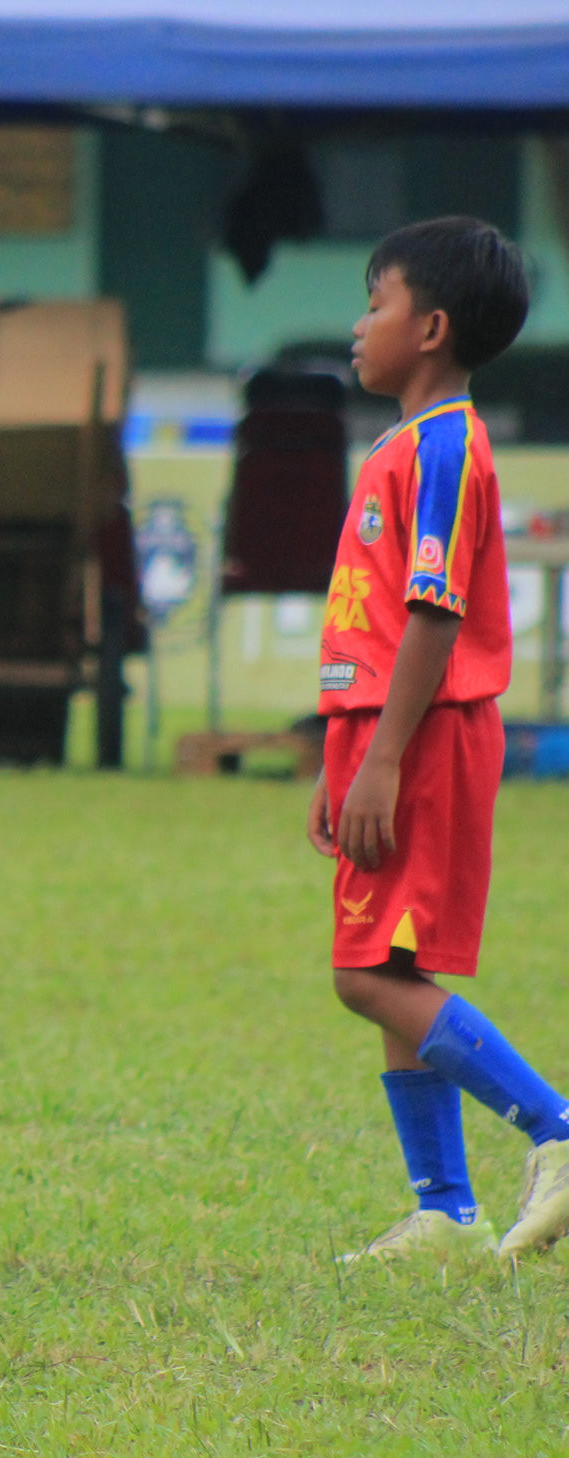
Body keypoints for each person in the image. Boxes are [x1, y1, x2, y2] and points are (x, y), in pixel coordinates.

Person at [308, 216, 569, 1264]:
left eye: (376, 301)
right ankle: (444, 1207)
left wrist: (378, 758)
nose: (359, 322)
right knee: (393, 960)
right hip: (379, 733)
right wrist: (342, 755)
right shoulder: (405, 443)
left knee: (366, 975)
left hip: (418, 737)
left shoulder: (450, 448)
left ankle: (554, 1126)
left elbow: (433, 612)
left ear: (431, 327)